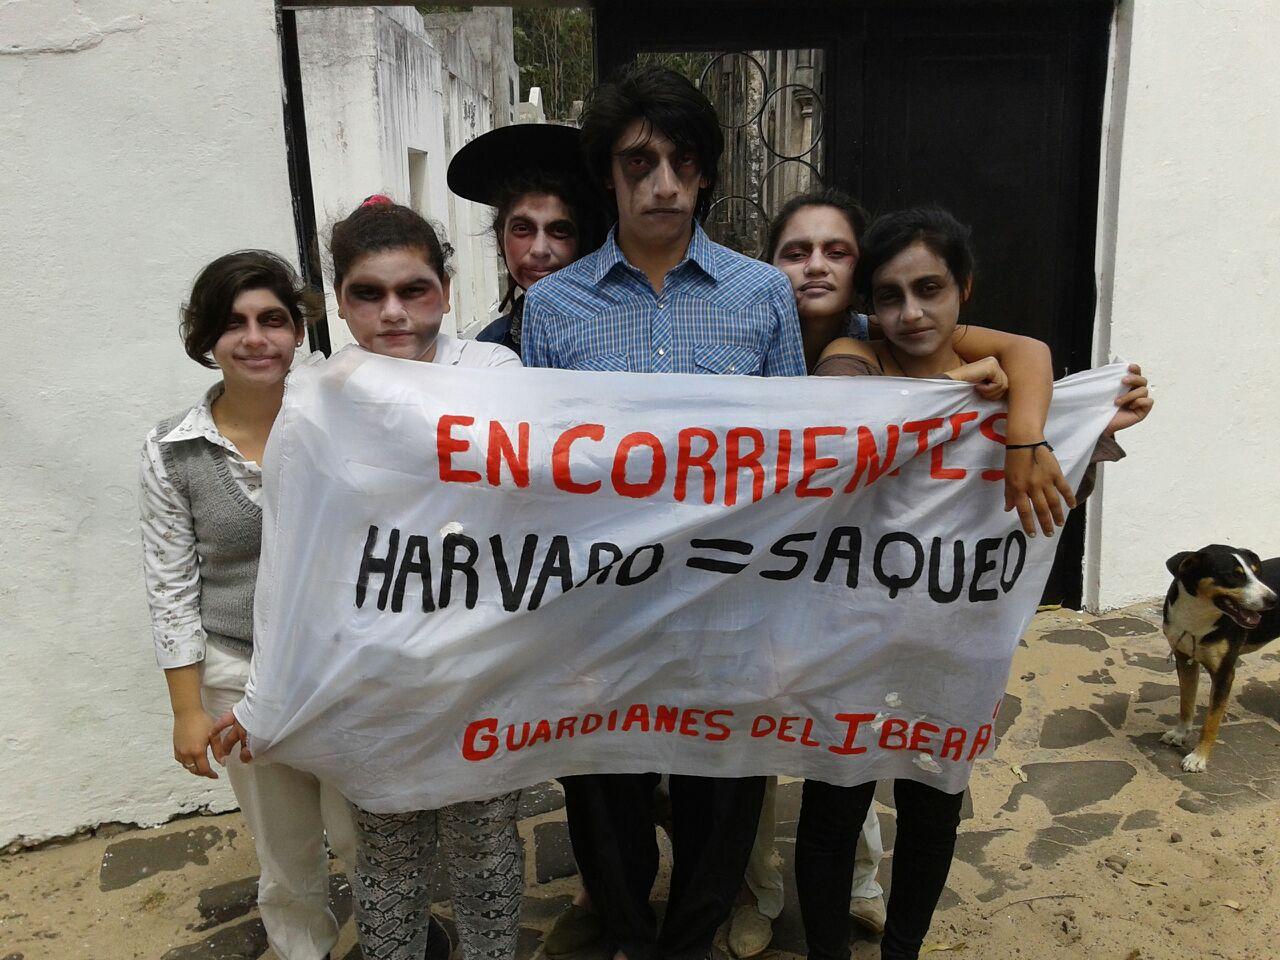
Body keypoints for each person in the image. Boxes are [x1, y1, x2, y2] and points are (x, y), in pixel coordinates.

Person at [801, 206, 1151, 960]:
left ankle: (903, 951)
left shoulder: (1013, 388)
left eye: (929, 288)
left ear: (963, 288)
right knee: (834, 807)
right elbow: (844, 413)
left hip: (952, 643)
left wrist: (1077, 432)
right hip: (851, 642)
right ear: (870, 306)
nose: (910, 313)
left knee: (933, 811)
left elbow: (1033, 375)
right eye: (889, 296)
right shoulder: (855, 356)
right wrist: (963, 392)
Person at [521, 64, 801, 960]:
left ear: (707, 173)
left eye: (683, 161)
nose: (664, 184)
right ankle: (629, 935)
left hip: (729, 603)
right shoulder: (553, 306)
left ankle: (690, 941)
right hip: (602, 608)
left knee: (723, 794)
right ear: (608, 174)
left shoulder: (762, 295)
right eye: (640, 163)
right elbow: (538, 467)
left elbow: (803, 452)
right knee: (604, 796)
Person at [213, 197, 524, 960]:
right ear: (340, 303)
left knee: (485, 849)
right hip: (373, 675)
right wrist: (264, 696)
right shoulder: (315, 398)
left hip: (481, 667)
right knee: (387, 858)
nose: (393, 312)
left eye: (413, 290)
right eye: (368, 293)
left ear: (445, 290)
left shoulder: (495, 373)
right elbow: (290, 555)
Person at [140, 250, 358, 960]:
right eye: (235, 323)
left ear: (298, 330)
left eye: (273, 319)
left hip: (342, 670)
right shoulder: (173, 452)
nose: (256, 338)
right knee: (286, 853)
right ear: (207, 337)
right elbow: (170, 585)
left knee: (366, 835)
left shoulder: (340, 420)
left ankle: (395, 941)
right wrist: (187, 710)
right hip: (238, 676)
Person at [447, 123, 609, 353]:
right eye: (522, 229)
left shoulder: (617, 333)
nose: (539, 250)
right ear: (500, 238)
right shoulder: (488, 351)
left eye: (560, 231)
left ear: (583, 239)